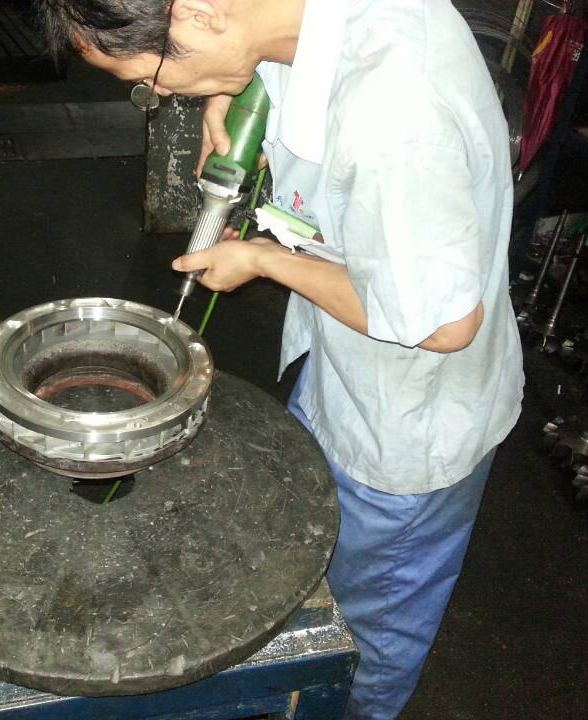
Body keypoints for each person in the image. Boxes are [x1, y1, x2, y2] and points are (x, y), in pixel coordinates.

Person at [36, 0, 525, 717]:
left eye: (152, 81)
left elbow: (445, 324)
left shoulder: (397, 110)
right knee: (309, 554)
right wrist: (228, 91)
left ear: (197, 14)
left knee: (365, 634)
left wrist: (264, 259)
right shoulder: (296, 17)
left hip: (406, 426)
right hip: (345, 369)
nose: (160, 94)